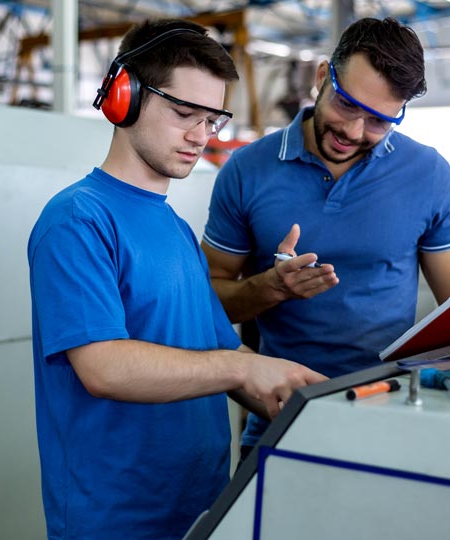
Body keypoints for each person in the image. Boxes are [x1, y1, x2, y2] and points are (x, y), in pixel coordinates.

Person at [27, 19, 326, 540]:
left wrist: (318, 401)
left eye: (212, 119)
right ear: (125, 97)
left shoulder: (175, 230)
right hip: (117, 520)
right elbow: (103, 367)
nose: (200, 136)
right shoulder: (78, 220)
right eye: (184, 113)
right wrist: (239, 369)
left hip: (203, 507)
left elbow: (218, 352)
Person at [200, 17, 450, 456]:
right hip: (283, 416)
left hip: (396, 413)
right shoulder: (247, 171)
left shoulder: (427, 174)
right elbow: (205, 302)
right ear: (323, 77)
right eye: (346, 105)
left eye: (379, 121)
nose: (354, 132)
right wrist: (270, 288)